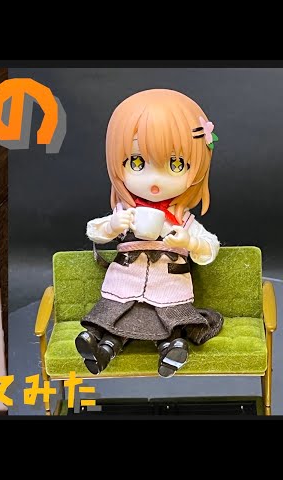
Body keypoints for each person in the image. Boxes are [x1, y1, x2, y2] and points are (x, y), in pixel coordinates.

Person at [75, 89, 223, 377]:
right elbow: (95, 231)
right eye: (138, 163)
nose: (155, 181)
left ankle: (172, 350)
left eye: (176, 164)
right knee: (114, 318)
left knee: (169, 320)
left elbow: (210, 248)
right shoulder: (125, 213)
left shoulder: (183, 220)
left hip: (169, 288)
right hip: (125, 286)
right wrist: (114, 225)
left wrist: (190, 241)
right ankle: (101, 351)